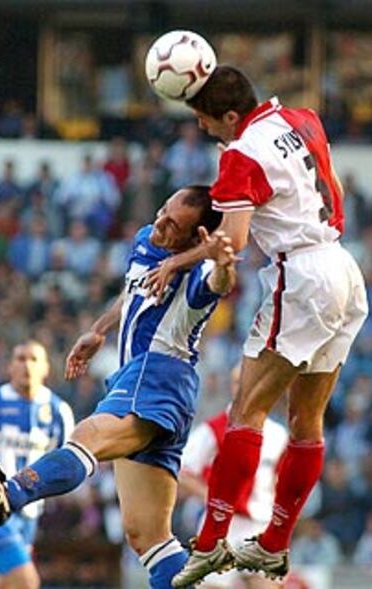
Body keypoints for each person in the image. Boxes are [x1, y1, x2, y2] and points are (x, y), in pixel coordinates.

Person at [143, 65, 369, 587]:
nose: (202, 128)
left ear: (228, 114)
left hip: (302, 276)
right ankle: (273, 543)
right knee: (305, 422)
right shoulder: (301, 118)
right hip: (342, 265)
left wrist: (178, 261)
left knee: (245, 409)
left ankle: (209, 542)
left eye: (204, 119)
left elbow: (235, 242)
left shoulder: (240, 156)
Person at [0, 185, 237, 589]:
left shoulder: (198, 278)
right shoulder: (147, 239)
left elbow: (221, 279)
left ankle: (13, 492)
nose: (160, 222)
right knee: (149, 537)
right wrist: (98, 331)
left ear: (195, 238)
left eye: (173, 223)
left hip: (157, 376)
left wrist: (219, 262)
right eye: (163, 209)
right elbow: (133, 293)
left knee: (86, 437)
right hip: (151, 385)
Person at [0, 340, 75, 589]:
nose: (26, 365)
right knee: (27, 580)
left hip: (30, 511)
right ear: (10, 367)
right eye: (20, 359)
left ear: (45, 368)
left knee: (0, 579)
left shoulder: (58, 411)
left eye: (33, 359)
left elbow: (67, 460)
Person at [179, 366, 288, 589]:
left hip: (260, 524)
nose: (244, 389)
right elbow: (183, 472)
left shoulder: (278, 434)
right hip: (221, 525)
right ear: (232, 386)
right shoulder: (214, 429)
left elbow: (283, 482)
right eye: (238, 383)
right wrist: (215, 499)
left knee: (266, 585)